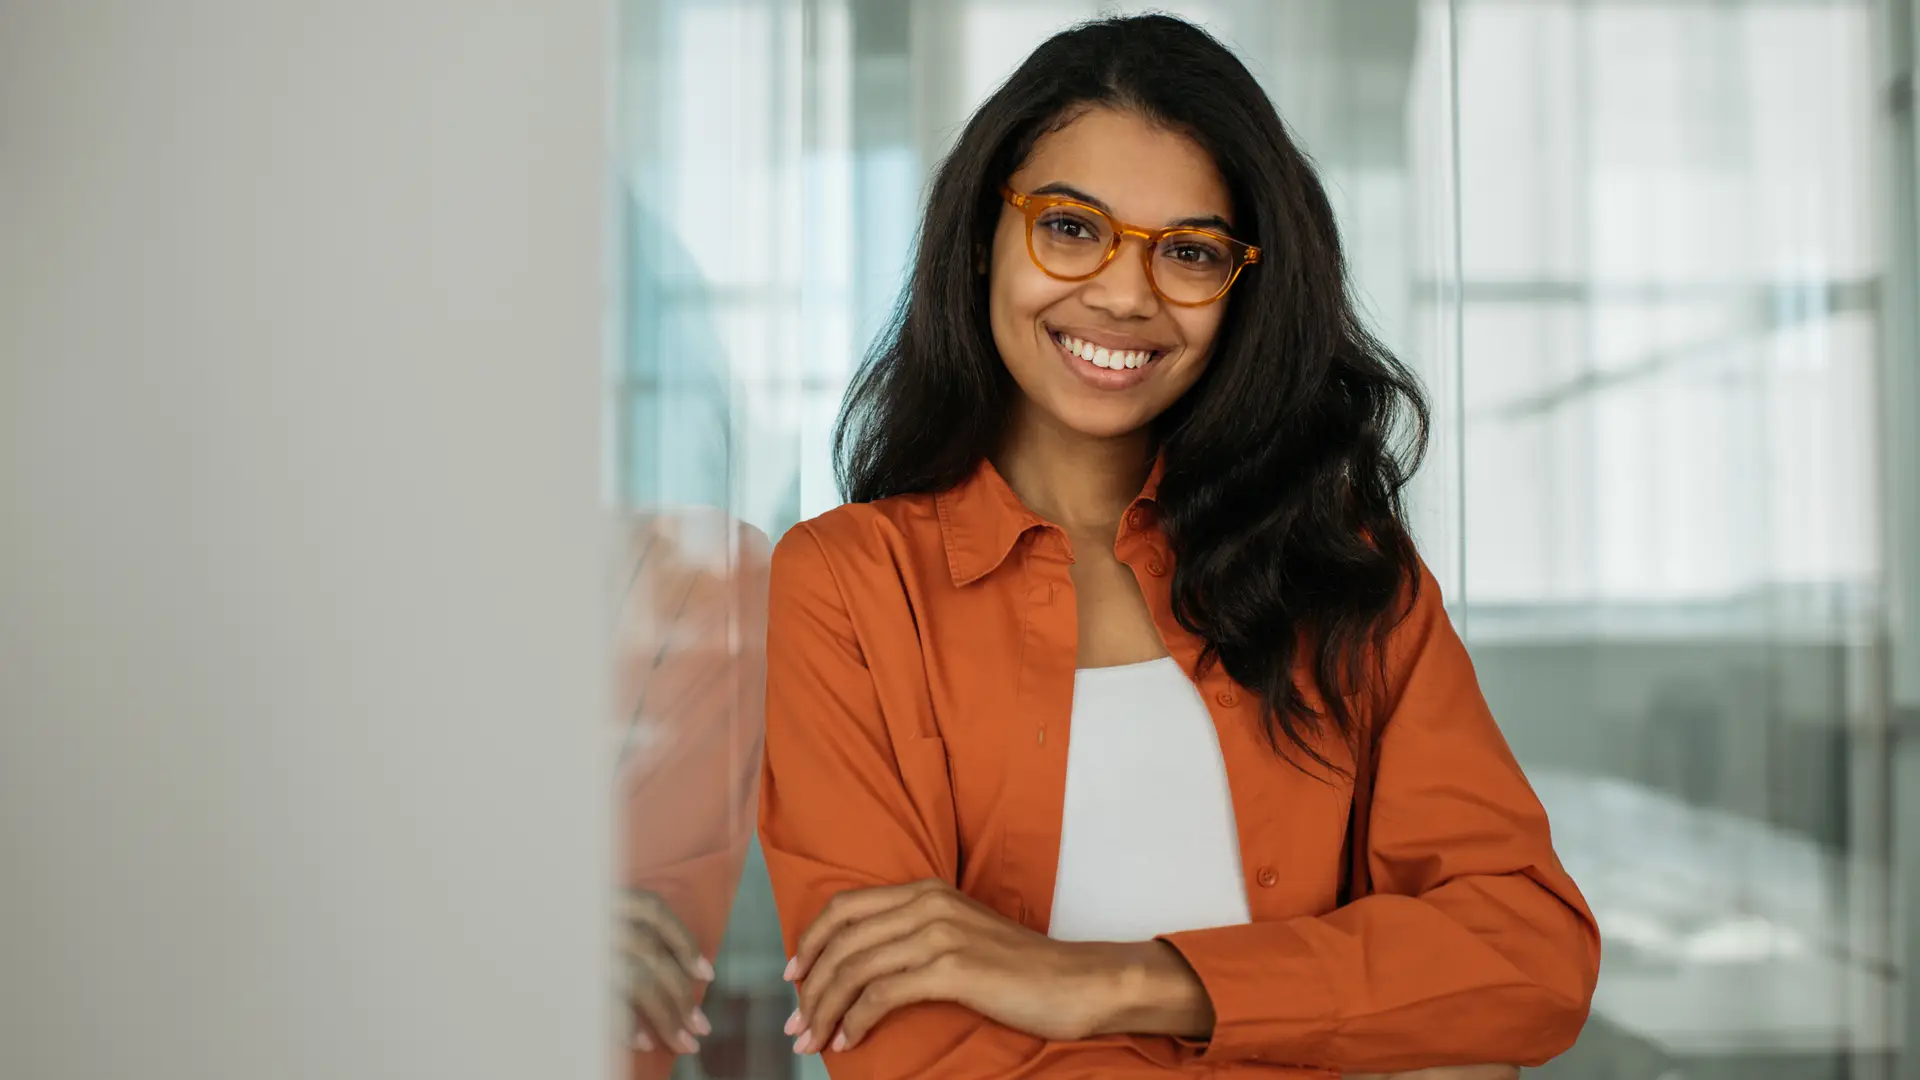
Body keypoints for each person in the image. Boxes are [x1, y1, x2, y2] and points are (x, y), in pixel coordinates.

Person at [758, 14, 1600, 1079]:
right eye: (1070, 228)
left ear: (1243, 290)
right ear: (984, 237)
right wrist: (1371, 1032)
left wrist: (1110, 981)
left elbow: (1530, 958)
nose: (1123, 293)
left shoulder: (1345, 569)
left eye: (1191, 252)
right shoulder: (845, 587)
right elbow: (907, 1041)